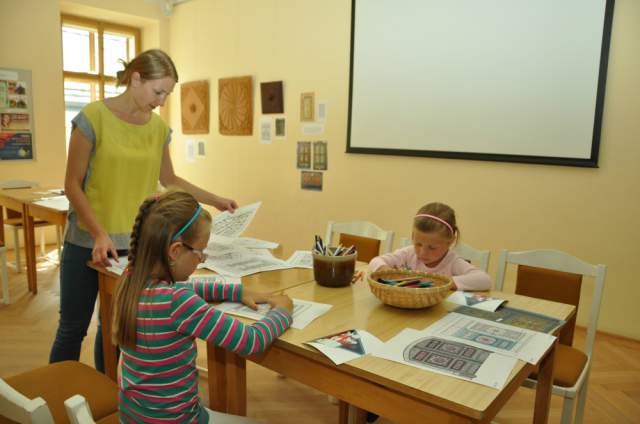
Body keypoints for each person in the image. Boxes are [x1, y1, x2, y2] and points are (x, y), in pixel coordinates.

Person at [49, 49, 238, 372]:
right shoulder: (92, 118)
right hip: (87, 242)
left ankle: (109, 392)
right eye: (158, 91)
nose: (161, 101)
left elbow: (170, 179)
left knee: (114, 330)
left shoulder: (158, 129)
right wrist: (99, 233)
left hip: (135, 247)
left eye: (167, 94)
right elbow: (72, 184)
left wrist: (215, 200)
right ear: (136, 79)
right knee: (72, 328)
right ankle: (53, 395)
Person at [112, 190, 294, 423]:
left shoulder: (130, 279)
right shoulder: (178, 302)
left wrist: (237, 291)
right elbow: (251, 341)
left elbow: (191, 287)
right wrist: (283, 311)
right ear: (175, 251)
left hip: (133, 417)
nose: (203, 259)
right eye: (200, 252)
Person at [368, 202, 491, 291]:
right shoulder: (407, 254)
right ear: (413, 236)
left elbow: (484, 280)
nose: (422, 253)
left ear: (450, 242)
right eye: (418, 244)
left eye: (432, 248)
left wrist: (444, 283)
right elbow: (375, 261)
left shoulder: (452, 262)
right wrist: (385, 269)